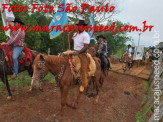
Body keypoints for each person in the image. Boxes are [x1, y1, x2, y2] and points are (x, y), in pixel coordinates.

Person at [71, 20, 92, 92]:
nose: (80, 27)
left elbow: (86, 47)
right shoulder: (75, 34)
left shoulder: (86, 35)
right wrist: (69, 36)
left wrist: (78, 52)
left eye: (81, 25)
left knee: (83, 67)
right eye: (78, 25)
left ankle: (83, 84)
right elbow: (71, 42)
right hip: (74, 51)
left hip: (82, 53)